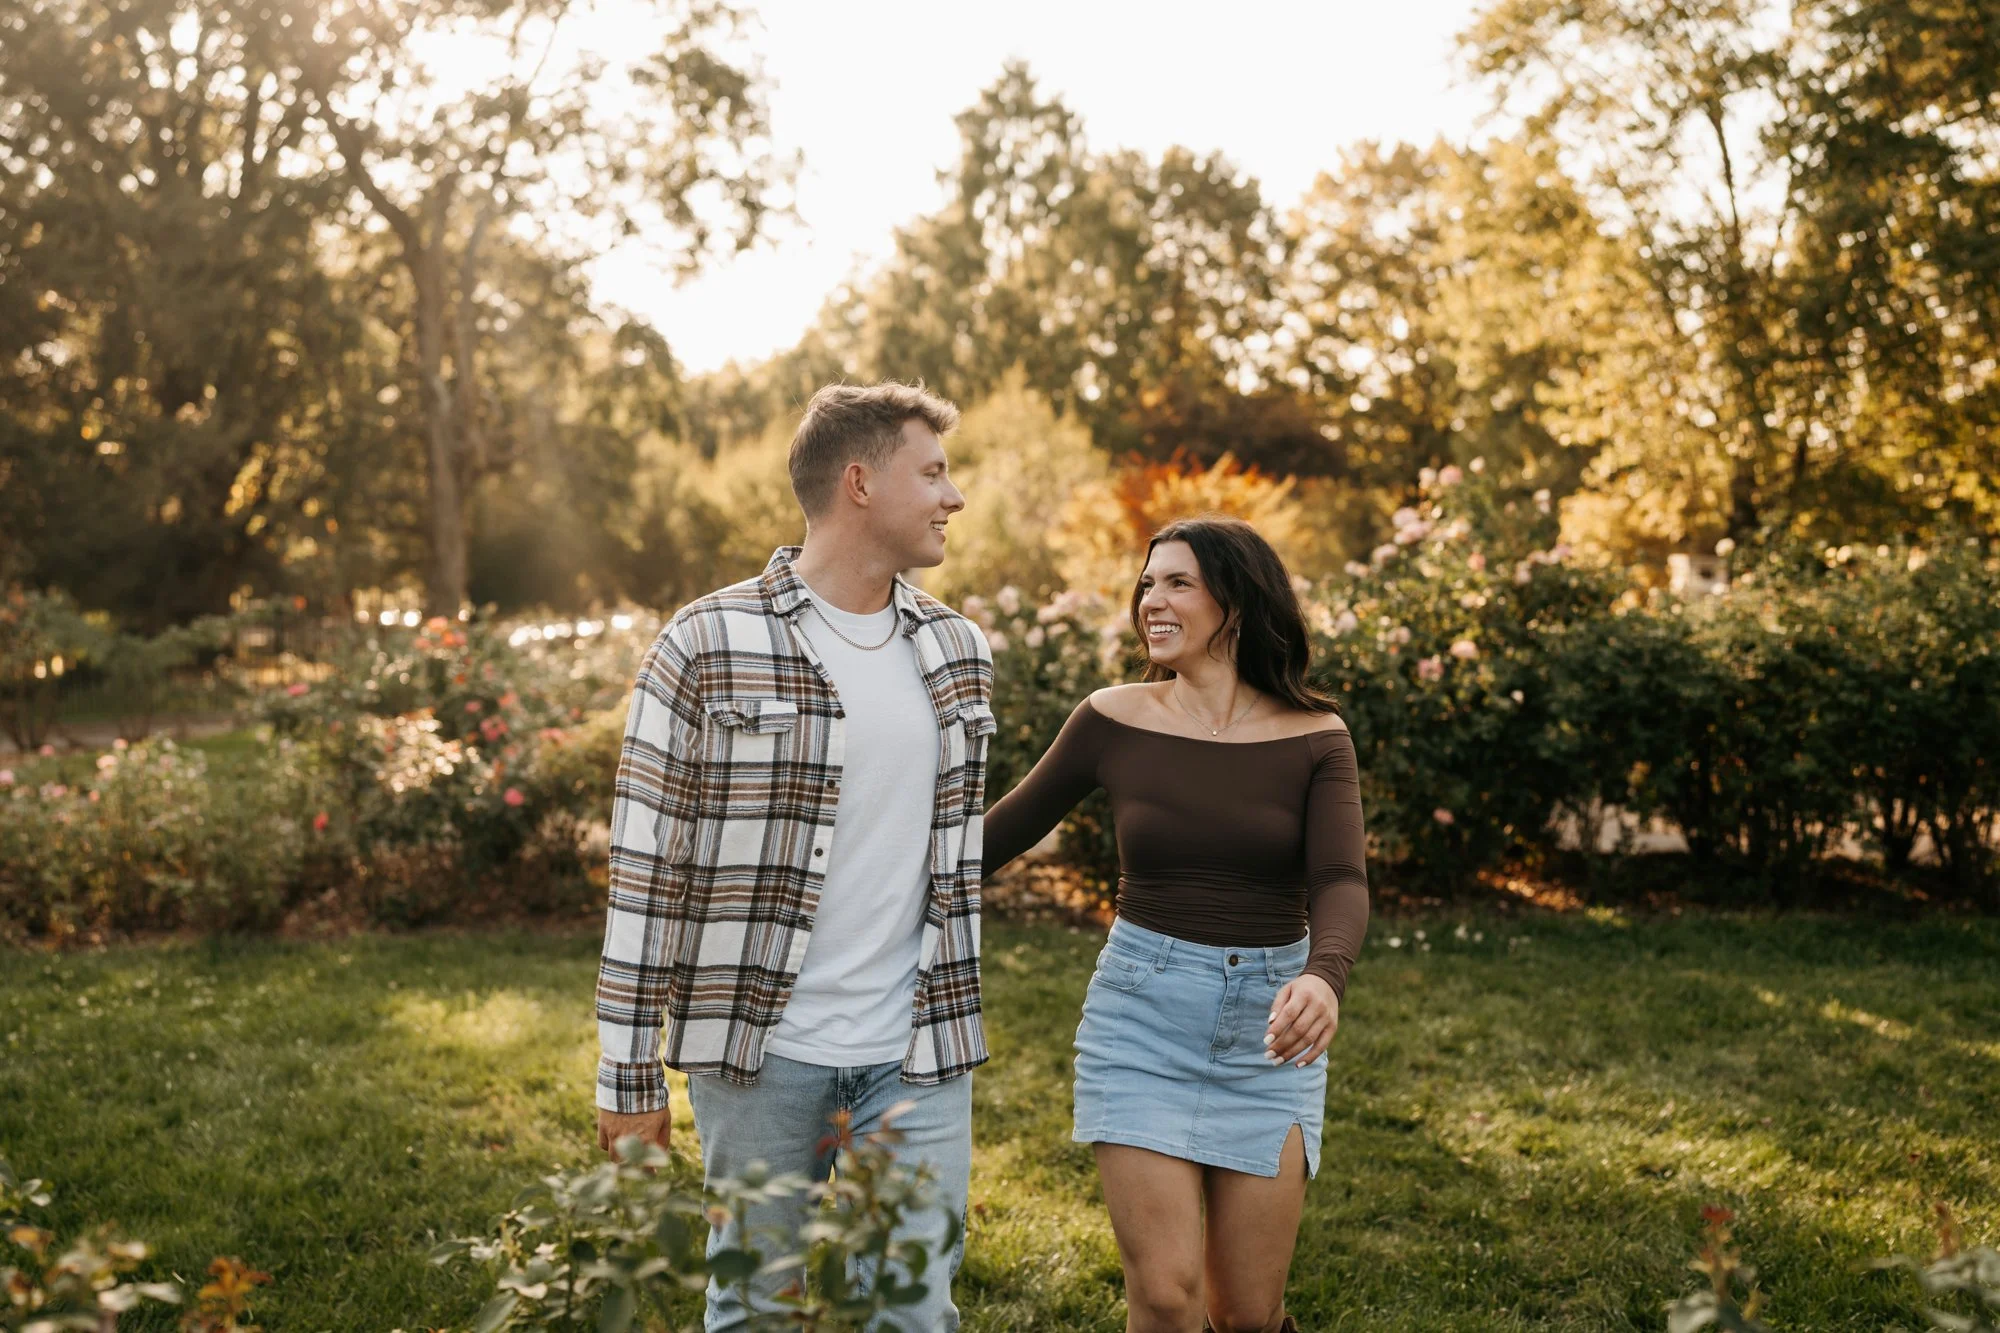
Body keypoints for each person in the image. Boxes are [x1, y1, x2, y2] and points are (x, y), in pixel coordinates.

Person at [592, 381, 997, 1331]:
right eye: (933, 472)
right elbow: (647, 870)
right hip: (759, 1056)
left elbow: (949, 854)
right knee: (756, 1309)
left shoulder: (958, 651)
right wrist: (628, 1075)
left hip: (919, 1053)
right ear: (860, 482)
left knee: (912, 1314)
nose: (954, 495)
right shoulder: (705, 643)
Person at [982, 516, 1370, 1333]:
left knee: (1247, 1315)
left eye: (1177, 583)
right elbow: (993, 839)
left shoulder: (1317, 736)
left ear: (1235, 600)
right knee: (1164, 1294)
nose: (1150, 600)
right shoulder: (1111, 718)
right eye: (1147, 583)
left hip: (1271, 1033)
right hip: (1141, 1018)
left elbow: (1340, 878)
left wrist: (1323, 977)